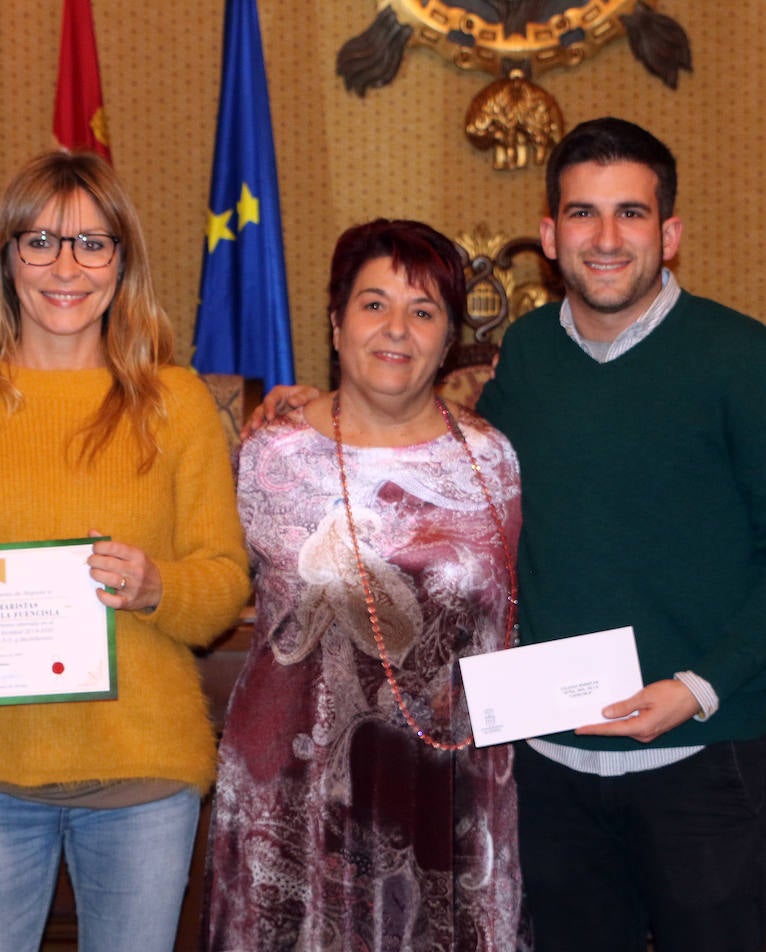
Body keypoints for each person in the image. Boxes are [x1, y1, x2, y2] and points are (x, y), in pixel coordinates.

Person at [250, 117, 766, 952]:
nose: (606, 239)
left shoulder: (742, 359)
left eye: (630, 214)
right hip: (550, 770)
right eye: (583, 215)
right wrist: (315, 411)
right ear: (549, 235)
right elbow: (433, 459)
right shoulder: (525, 355)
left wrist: (700, 685)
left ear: (669, 234)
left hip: (704, 759)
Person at [0, 151, 250, 952]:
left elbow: (223, 584)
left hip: (143, 772)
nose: (65, 267)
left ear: (123, 260)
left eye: (92, 243)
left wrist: (154, 586)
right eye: (39, 242)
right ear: (7, 260)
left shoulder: (176, 402)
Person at [203, 219, 524, 951]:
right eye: (374, 304)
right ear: (336, 321)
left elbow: (510, 617)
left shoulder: (493, 460)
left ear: (449, 339)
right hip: (295, 796)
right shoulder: (266, 453)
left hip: (450, 791)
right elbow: (213, 581)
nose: (397, 329)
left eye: (424, 310)